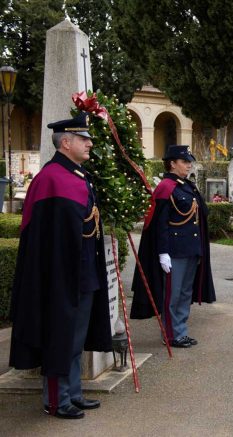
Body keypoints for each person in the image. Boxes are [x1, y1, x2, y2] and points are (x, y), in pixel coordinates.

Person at [9, 113, 112, 419]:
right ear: (66, 142)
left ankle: (74, 393)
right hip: (60, 277)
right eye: (84, 139)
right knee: (59, 338)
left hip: (84, 273)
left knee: (76, 340)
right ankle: (56, 400)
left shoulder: (79, 176)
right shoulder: (50, 178)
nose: (90, 143)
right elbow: (41, 238)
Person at [130, 145, 215, 348]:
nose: (188, 165)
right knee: (172, 295)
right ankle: (170, 335)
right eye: (184, 161)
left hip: (191, 249)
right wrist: (163, 253)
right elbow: (160, 224)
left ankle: (180, 331)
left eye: (189, 161)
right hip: (174, 251)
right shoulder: (165, 187)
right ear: (172, 164)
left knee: (185, 293)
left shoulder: (186, 186)